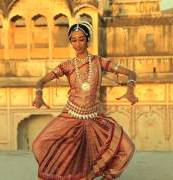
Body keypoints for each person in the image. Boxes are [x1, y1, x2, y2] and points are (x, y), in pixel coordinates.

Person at [32, 21, 138, 180]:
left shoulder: (99, 62)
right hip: (70, 117)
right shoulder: (67, 66)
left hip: (94, 119)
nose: (78, 44)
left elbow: (131, 73)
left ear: (87, 39)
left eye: (81, 39)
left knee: (127, 149)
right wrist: (39, 94)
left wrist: (130, 90)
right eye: (74, 40)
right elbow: (40, 81)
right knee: (39, 145)